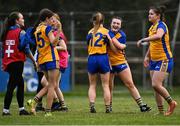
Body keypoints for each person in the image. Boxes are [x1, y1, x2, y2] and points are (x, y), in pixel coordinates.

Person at [137, 6, 177, 116]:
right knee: (156, 88)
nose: (149, 15)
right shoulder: (151, 28)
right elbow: (153, 44)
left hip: (164, 60)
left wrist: (143, 39)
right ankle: (161, 111)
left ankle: (171, 103)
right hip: (154, 60)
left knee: (156, 84)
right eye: (149, 14)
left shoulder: (161, 25)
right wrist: (146, 56)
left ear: (158, 16)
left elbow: (158, 36)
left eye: (151, 14)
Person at [107, 17, 151, 112]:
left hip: (120, 62)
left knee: (130, 84)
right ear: (111, 23)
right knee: (110, 87)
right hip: (109, 63)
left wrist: (111, 38)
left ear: (120, 26)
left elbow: (118, 47)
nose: (115, 25)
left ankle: (141, 105)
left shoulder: (121, 35)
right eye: (114, 23)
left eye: (118, 24)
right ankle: (109, 107)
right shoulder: (105, 33)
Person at [87, 12, 125, 113]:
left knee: (92, 85)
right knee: (105, 85)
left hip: (91, 58)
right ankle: (108, 107)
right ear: (103, 21)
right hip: (103, 58)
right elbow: (113, 47)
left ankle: (92, 105)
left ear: (93, 21)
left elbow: (88, 45)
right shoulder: (106, 32)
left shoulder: (90, 32)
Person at [1, 11, 36, 116]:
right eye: (22, 18)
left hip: (9, 61)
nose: (23, 20)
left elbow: (3, 49)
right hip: (17, 61)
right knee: (11, 86)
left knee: (20, 84)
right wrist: (34, 61)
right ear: (17, 20)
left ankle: (21, 110)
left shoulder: (6, 32)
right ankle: (5, 110)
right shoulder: (21, 32)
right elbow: (26, 49)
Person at [27, 8, 61, 117]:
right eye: (51, 19)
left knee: (50, 84)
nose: (52, 21)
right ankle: (48, 111)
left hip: (42, 59)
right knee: (52, 85)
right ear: (46, 18)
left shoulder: (37, 29)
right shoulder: (47, 28)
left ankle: (34, 101)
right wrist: (59, 30)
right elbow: (53, 43)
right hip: (51, 58)